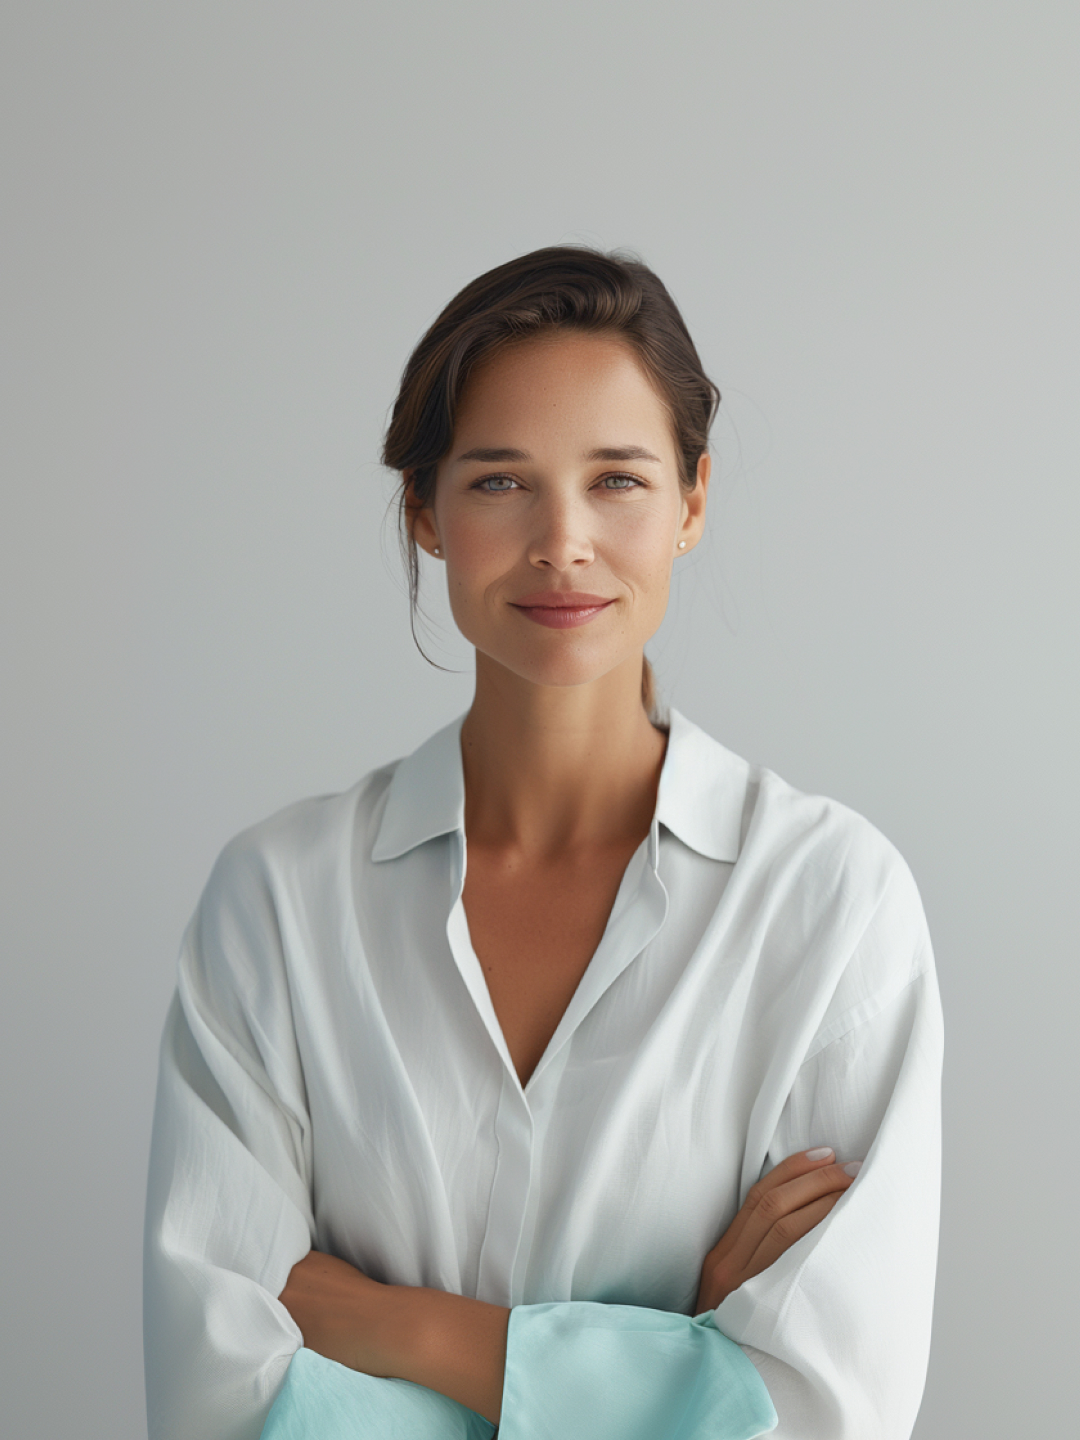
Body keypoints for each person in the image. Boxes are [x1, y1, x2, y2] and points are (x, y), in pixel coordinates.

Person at [142, 245, 943, 1440]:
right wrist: (685, 1352)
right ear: (425, 511)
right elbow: (221, 1397)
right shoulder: (278, 902)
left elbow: (824, 1410)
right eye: (501, 482)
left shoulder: (830, 905)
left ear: (693, 501)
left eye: (617, 479)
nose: (562, 542)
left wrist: (393, 1326)